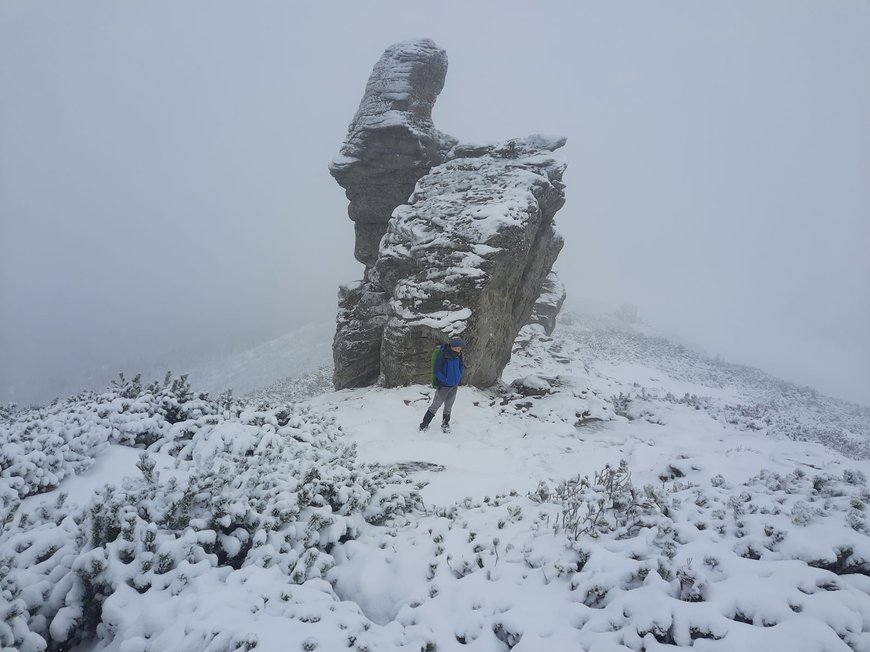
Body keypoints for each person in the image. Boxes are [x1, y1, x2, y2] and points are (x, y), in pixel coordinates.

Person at [420, 337, 465, 433]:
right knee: (435, 406)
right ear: (452, 347)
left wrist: (460, 375)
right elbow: (437, 371)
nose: (459, 349)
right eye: (457, 347)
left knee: (448, 407)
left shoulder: (459, 354)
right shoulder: (443, 355)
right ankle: (424, 425)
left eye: (460, 347)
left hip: (454, 386)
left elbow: (461, 365)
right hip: (443, 387)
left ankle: (445, 424)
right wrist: (446, 380)